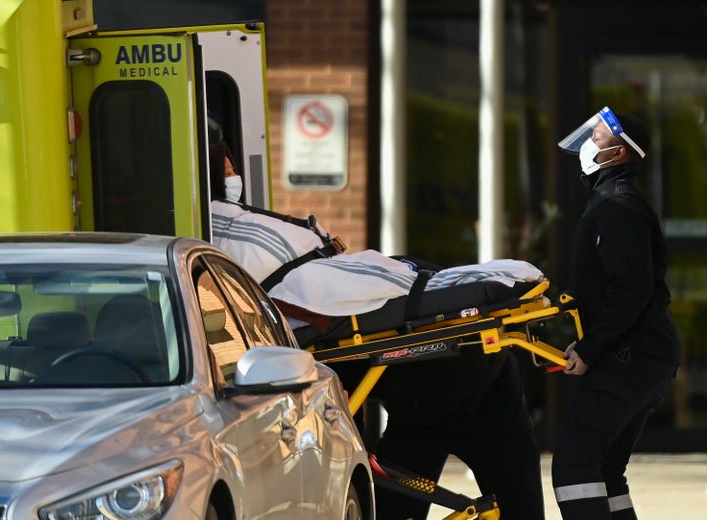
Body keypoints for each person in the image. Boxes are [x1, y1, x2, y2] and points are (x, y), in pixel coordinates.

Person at [208, 138, 546, 520]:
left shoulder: (243, 242)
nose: (236, 177)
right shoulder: (236, 244)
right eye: (229, 172)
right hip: (421, 409)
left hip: (479, 392)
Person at [552, 108, 681, 519]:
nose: (590, 142)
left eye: (600, 137)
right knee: (606, 471)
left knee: (574, 466)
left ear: (619, 154)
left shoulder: (617, 206)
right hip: (642, 355)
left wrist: (591, 349)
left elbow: (630, 291)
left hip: (630, 357)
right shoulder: (612, 201)